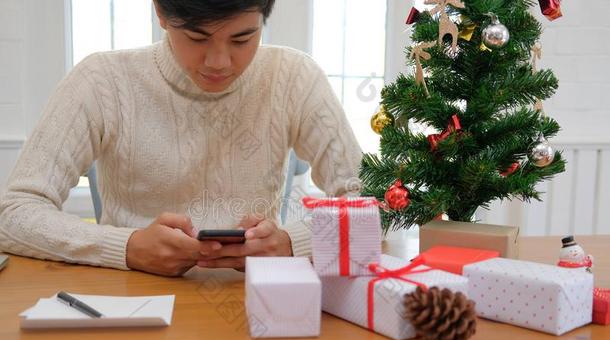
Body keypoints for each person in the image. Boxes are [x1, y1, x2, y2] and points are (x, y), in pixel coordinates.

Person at [0, 0, 362, 277]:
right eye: (197, 37)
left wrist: (290, 242)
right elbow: (14, 214)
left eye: (243, 38)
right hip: (130, 307)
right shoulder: (103, 81)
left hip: (256, 306)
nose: (219, 62)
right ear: (160, 11)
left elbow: (379, 201)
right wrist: (127, 246)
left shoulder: (293, 77)